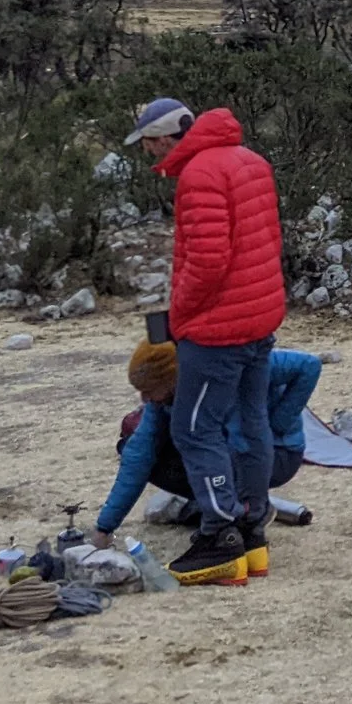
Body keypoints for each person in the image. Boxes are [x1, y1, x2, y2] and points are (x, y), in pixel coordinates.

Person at [125, 96, 286, 586]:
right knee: (252, 420)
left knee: (195, 430)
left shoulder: (199, 174)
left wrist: (180, 315)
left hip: (217, 328)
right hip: (260, 317)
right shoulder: (250, 161)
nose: (148, 150)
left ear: (163, 135)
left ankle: (220, 537)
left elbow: (209, 260)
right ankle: (252, 533)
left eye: (148, 140)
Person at [92, 339, 324, 562]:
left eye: (149, 389)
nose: (145, 398)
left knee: (217, 451)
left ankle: (246, 515)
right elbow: (138, 455)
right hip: (227, 455)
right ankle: (227, 511)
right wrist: (105, 526)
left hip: (276, 453)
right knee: (142, 450)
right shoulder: (163, 402)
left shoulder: (231, 366)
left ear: (172, 378)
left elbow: (309, 365)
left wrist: (278, 425)